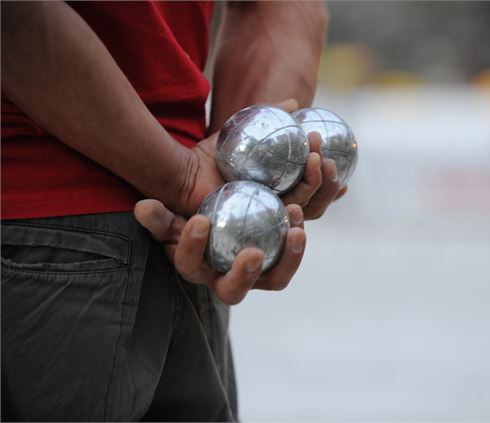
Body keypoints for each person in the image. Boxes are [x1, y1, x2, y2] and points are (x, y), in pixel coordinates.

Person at [1, 1, 345, 421]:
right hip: (183, 226)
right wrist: (230, 194)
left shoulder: (191, 185)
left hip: (38, 228)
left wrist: (203, 183)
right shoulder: (197, 195)